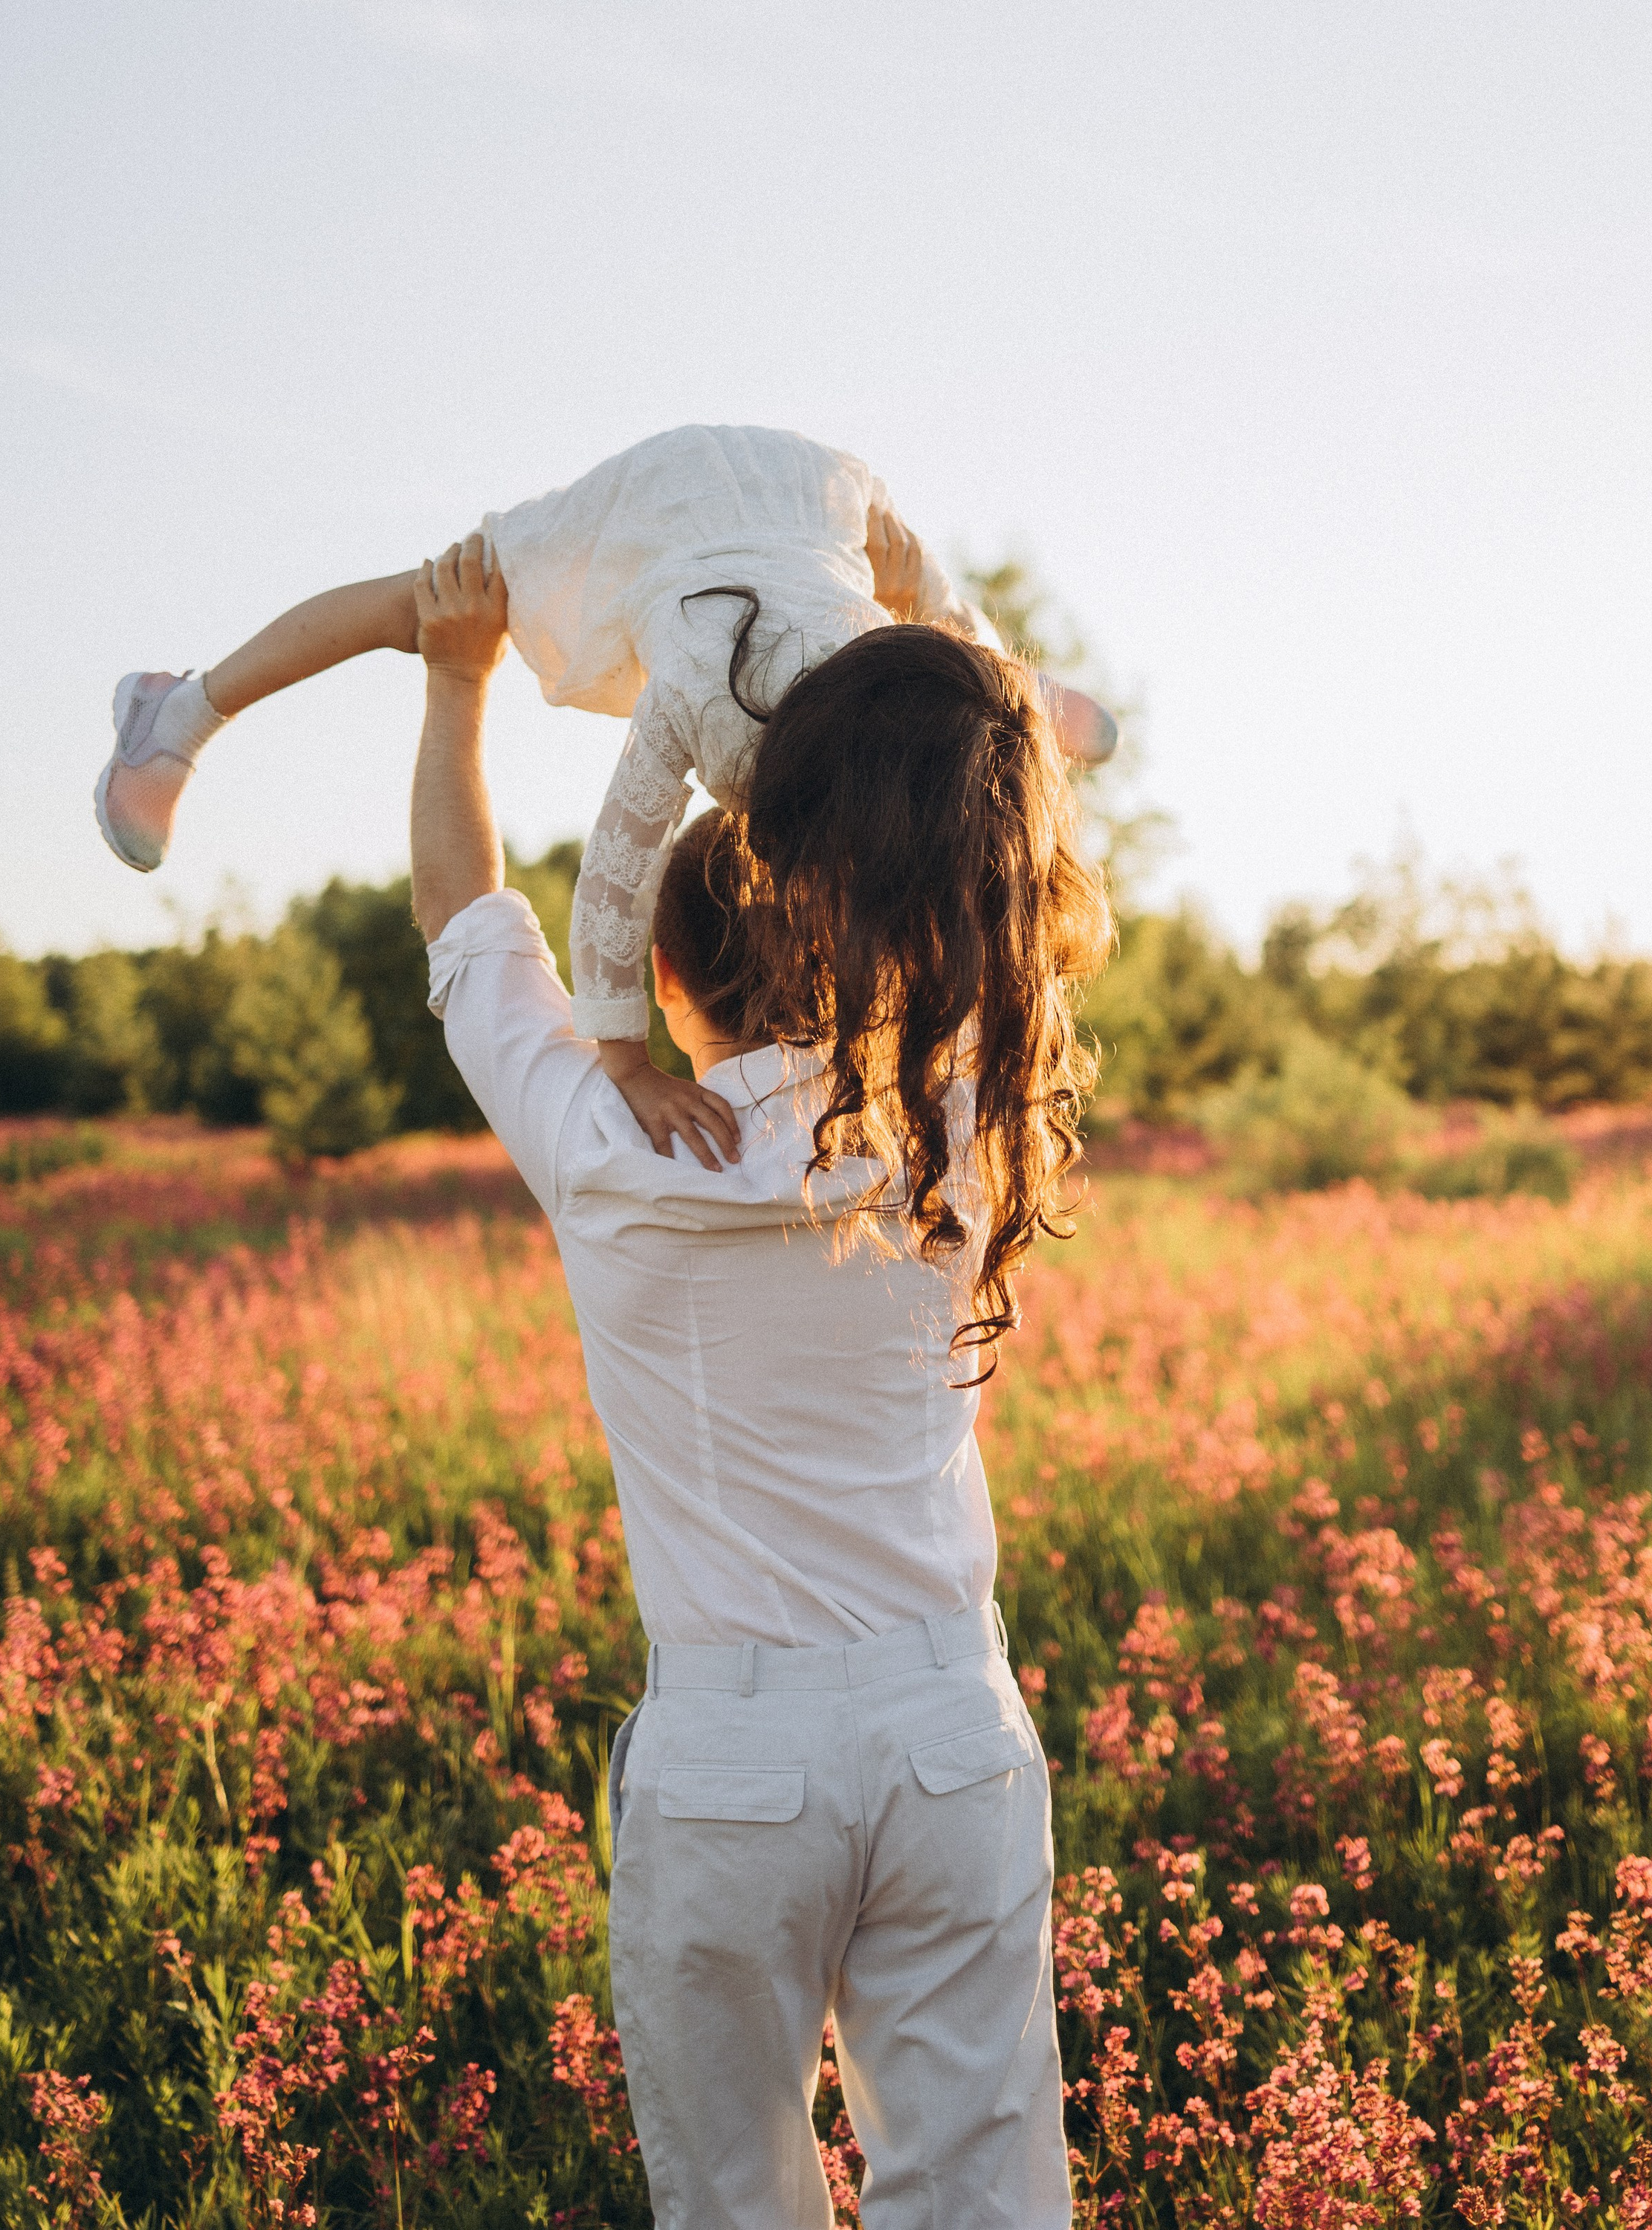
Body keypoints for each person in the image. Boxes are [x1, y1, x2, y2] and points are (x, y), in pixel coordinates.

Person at [408, 535, 1105, 2229]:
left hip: (733, 1767)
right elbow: (969, 834)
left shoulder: (600, 1145)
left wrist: (455, 675)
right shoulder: (958, 1102)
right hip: (950, 1731)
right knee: (985, 2196)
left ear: (654, 981)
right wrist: (906, 595)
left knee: (732, 2203)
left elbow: (460, 918)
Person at [93, 423, 1116, 1160]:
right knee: (438, 597)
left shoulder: (887, 689)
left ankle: (1022, 689)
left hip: (807, 497)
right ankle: (173, 716)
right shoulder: (693, 703)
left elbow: (949, 734)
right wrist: (623, 1058)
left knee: (939, 635)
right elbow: (614, 878)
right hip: (664, 517)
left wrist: (459, 681)